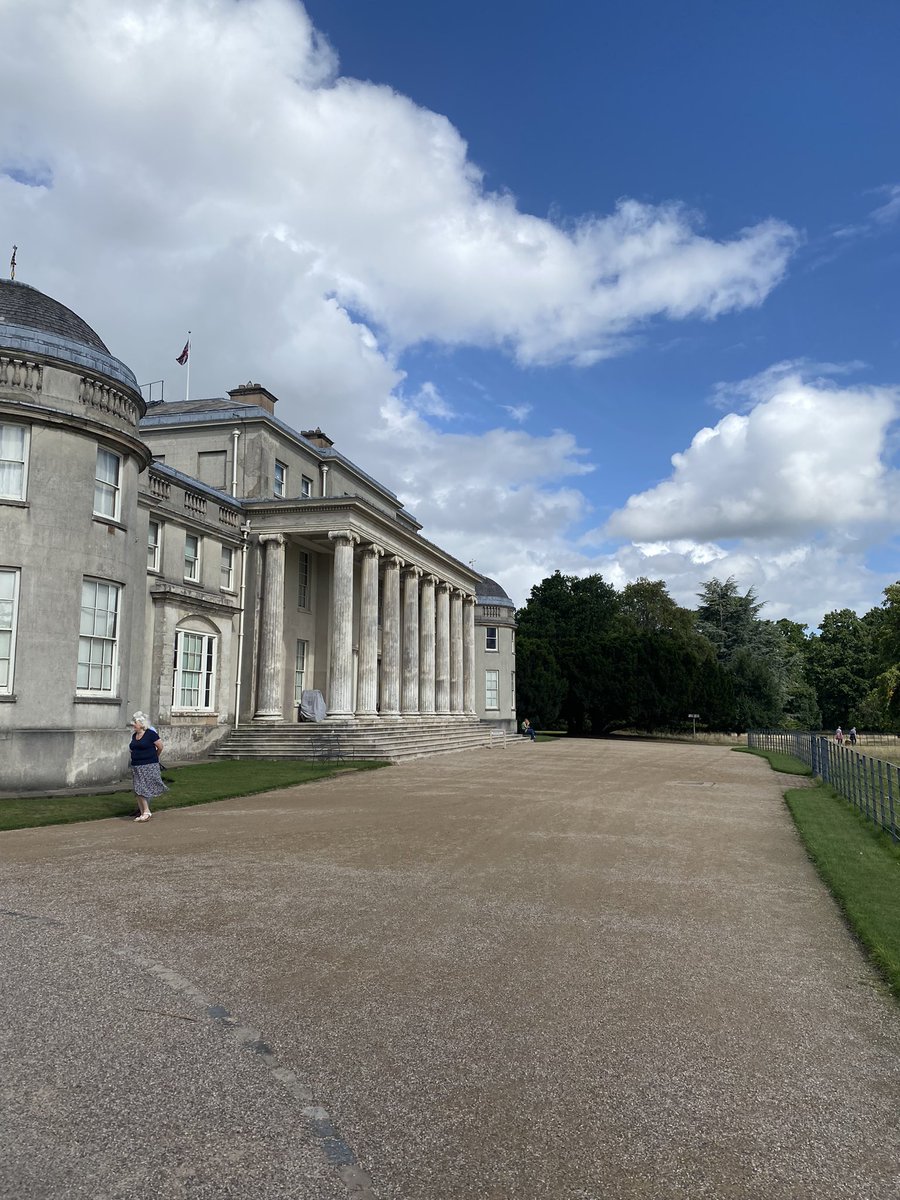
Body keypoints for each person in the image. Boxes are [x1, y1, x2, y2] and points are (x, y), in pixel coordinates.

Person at [128, 711, 168, 822]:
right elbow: (132, 748)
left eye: (135, 722)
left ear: (141, 723)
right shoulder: (134, 735)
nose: (133, 724)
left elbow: (160, 747)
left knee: (141, 788)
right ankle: (142, 813)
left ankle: (146, 811)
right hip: (136, 766)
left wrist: (154, 757)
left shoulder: (150, 734)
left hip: (149, 765)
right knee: (137, 789)